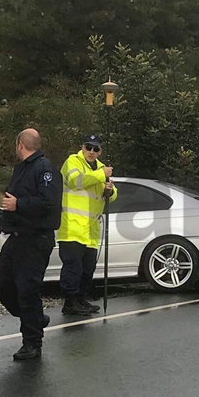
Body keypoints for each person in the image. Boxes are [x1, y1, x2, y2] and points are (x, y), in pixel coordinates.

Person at [0, 128, 60, 361]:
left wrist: (21, 204)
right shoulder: (21, 169)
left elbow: (50, 204)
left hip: (36, 239)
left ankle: (32, 343)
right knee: (2, 282)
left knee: (27, 291)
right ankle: (35, 318)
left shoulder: (45, 169)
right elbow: (10, 203)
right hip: (15, 237)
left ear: (19, 145)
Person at [56, 134, 117, 315]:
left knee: (87, 269)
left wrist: (109, 189)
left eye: (95, 149)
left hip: (91, 230)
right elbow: (77, 181)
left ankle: (81, 299)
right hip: (72, 228)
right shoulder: (72, 162)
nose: (91, 151)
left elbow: (112, 197)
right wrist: (101, 175)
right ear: (82, 147)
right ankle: (70, 302)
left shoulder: (100, 168)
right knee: (73, 267)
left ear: (100, 151)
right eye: (88, 147)